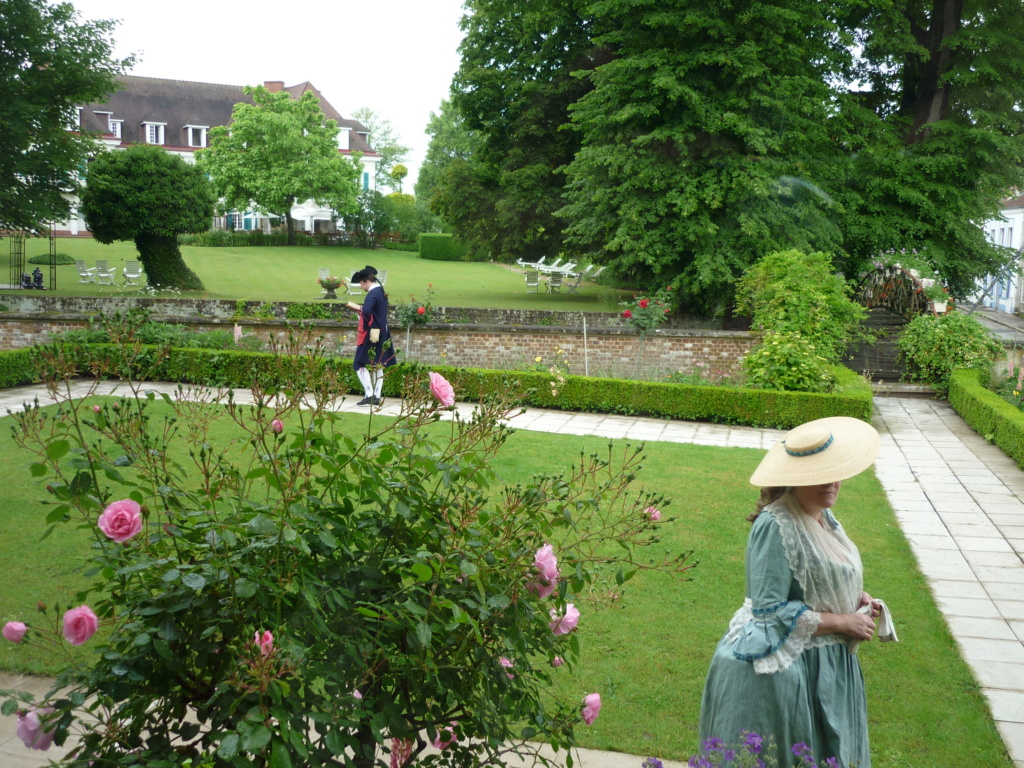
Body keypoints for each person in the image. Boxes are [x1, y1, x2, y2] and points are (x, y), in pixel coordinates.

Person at [698, 416, 882, 768]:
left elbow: (822, 574)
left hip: (829, 663)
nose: (831, 482)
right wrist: (844, 620)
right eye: (818, 475)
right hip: (790, 669)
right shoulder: (776, 523)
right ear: (794, 480)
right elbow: (768, 613)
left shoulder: (825, 518)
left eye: (835, 471)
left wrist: (852, 596)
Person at [345, 267, 395, 406]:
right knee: (378, 364)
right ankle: (376, 396)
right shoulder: (381, 292)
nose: (361, 287)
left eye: (361, 284)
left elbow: (367, 312)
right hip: (382, 330)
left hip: (373, 332)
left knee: (358, 363)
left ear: (367, 281)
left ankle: (369, 394)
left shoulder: (372, 294)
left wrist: (359, 310)